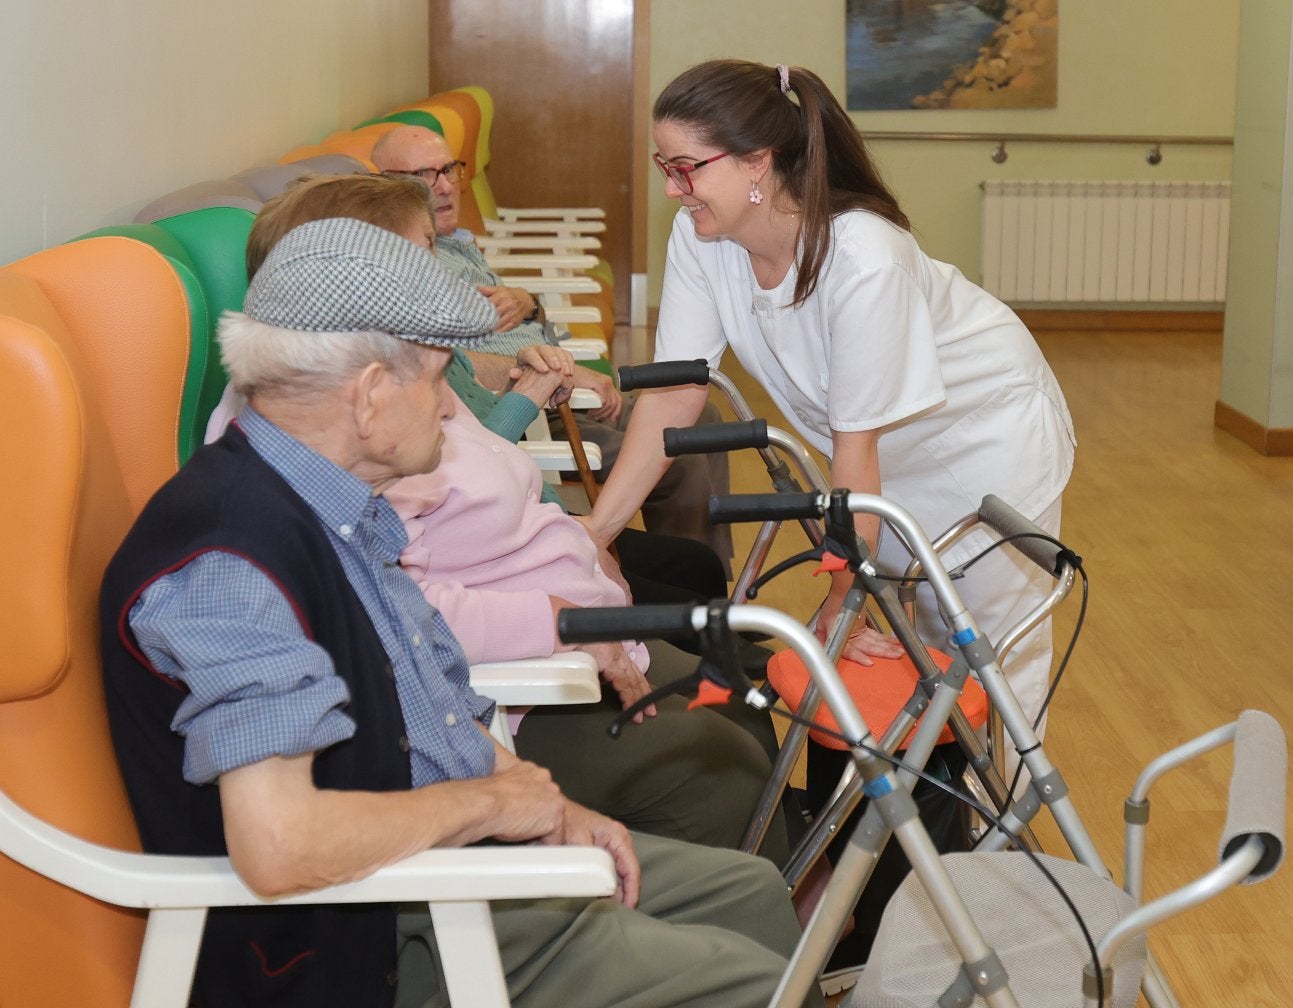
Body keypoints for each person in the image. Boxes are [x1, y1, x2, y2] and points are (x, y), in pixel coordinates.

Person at [100, 216, 821, 1008]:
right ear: (372, 394)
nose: (450, 406)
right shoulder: (232, 561)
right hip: (369, 936)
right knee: (756, 987)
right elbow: (279, 846)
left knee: (746, 892)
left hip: (429, 869)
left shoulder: (335, 507)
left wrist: (547, 803)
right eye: (438, 378)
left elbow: (433, 702)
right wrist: (493, 803)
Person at [236, 171, 791, 865]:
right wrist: (556, 623)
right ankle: (741, 921)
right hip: (509, 692)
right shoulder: (338, 430)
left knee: (748, 698)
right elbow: (392, 624)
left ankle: (779, 902)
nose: (437, 275)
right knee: (720, 759)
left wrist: (583, 545)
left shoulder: (395, 378)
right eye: (420, 258)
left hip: (546, 648)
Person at [582, 59, 1076, 738]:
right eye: (664, 165)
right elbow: (672, 394)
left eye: (687, 168)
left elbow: (856, 447)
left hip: (984, 446)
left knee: (989, 660)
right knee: (916, 651)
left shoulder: (864, 257)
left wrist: (846, 604)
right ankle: (930, 831)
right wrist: (596, 533)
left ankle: (1005, 828)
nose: (673, 189)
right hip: (876, 466)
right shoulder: (706, 241)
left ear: (758, 162)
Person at [371, 125, 734, 570]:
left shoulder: (453, 243)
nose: (445, 187)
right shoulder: (408, 263)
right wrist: (569, 374)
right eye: (423, 176)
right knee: (678, 450)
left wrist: (531, 304)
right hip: (536, 410)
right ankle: (692, 579)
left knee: (705, 416)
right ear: (384, 185)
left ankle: (712, 575)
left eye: (449, 169)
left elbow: (506, 326)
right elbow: (459, 366)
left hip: (554, 382)